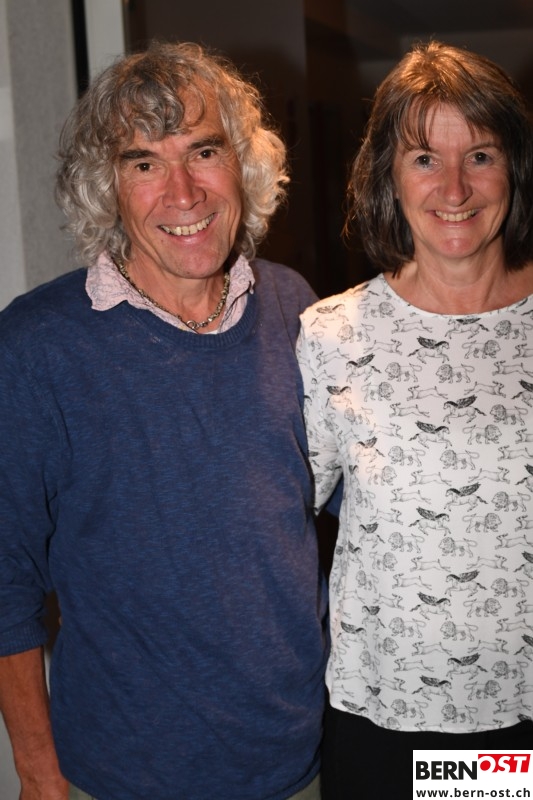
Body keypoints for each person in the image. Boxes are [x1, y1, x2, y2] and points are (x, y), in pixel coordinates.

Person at [0, 41, 328, 800]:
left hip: (298, 767)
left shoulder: (295, 308)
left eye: (204, 151)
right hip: (117, 778)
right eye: (144, 162)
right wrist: (39, 772)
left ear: (242, 164)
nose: (183, 192)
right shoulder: (35, 346)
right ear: (107, 186)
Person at [297, 41, 533, 799]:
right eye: (425, 158)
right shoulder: (331, 336)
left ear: (515, 169)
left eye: (481, 156)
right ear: (388, 177)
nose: (455, 188)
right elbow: (278, 522)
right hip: (388, 719)